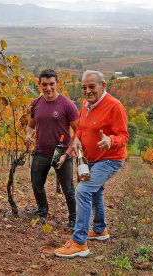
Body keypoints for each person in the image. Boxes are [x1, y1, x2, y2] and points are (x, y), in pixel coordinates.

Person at [54, 70, 129, 258]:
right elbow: (80, 129)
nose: (87, 91)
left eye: (91, 86)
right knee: (95, 192)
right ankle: (99, 229)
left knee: (83, 190)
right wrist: (77, 140)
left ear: (103, 86)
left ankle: (79, 243)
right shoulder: (86, 105)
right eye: (84, 87)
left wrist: (111, 141)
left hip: (110, 159)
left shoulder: (115, 106)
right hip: (90, 159)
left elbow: (123, 136)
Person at [25, 68, 79, 228]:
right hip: (41, 151)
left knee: (68, 189)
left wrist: (67, 153)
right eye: (44, 84)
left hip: (61, 154)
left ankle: (74, 218)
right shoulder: (36, 104)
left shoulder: (67, 105)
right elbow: (31, 126)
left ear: (57, 84)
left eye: (51, 84)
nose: (48, 88)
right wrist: (28, 135)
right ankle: (42, 210)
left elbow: (78, 132)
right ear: (39, 84)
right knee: (36, 184)